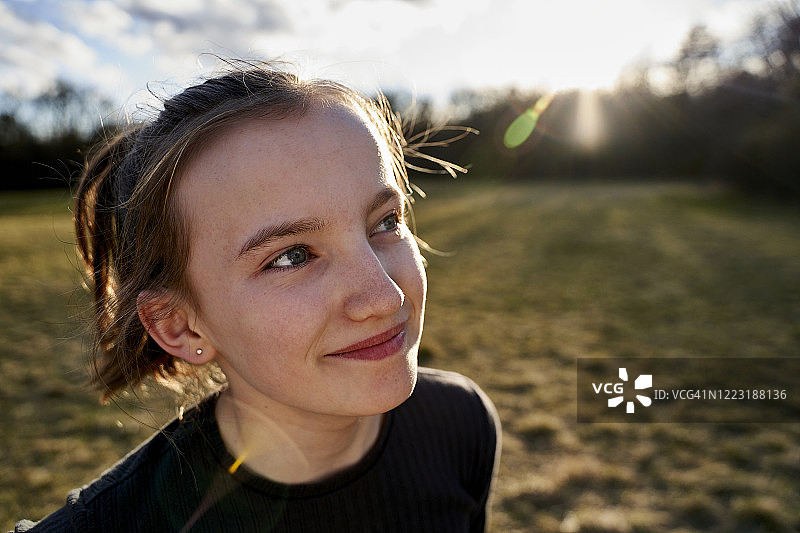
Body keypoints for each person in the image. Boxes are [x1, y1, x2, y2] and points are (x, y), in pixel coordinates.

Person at [14, 61, 500, 533]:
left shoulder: (461, 423)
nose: (385, 296)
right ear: (179, 325)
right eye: (291, 256)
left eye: (385, 223)